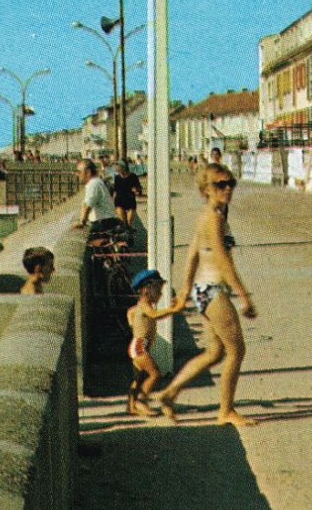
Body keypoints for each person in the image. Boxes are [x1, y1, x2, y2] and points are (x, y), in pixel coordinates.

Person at [157, 165, 257, 426]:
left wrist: (184, 291)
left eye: (230, 183)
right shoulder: (213, 218)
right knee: (236, 351)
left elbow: (192, 254)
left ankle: (169, 393)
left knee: (215, 352)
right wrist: (244, 296)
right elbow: (223, 260)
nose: (227, 189)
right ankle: (226, 411)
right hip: (213, 290)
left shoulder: (210, 215)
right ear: (205, 191)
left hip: (203, 290)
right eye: (219, 185)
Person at [126, 269, 183, 416]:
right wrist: (173, 309)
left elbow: (132, 314)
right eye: (157, 290)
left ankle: (131, 405)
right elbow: (155, 315)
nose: (160, 294)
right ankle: (141, 401)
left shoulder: (139, 307)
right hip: (139, 347)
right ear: (146, 289)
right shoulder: (145, 306)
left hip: (137, 346)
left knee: (138, 379)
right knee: (154, 374)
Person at [73, 158, 120, 233]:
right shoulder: (96, 182)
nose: (77, 174)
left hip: (104, 223)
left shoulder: (94, 184)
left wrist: (81, 222)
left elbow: (87, 206)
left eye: (78, 172)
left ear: (88, 172)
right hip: (107, 221)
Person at [110, 162, 143, 230]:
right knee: (122, 223)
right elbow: (115, 191)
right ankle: (126, 237)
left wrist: (136, 189)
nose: (117, 171)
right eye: (116, 170)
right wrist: (112, 202)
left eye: (118, 169)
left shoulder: (133, 176)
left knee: (129, 222)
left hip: (130, 200)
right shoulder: (117, 177)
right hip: (119, 201)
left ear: (123, 167)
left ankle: (129, 234)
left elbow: (139, 188)